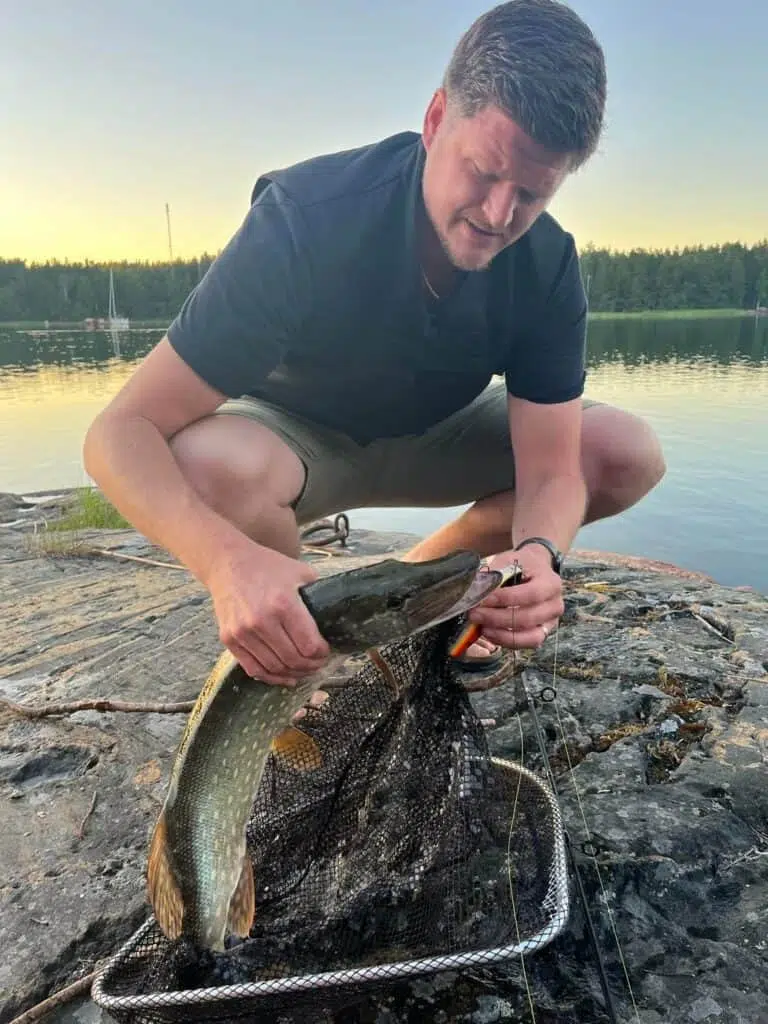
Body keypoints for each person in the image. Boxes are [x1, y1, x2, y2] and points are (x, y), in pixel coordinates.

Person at [83, 0, 665, 691]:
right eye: (483, 172)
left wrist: (539, 555)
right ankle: (293, 654)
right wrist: (225, 563)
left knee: (623, 454)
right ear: (436, 119)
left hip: (438, 431)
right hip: (297, 441)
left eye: (532, 193)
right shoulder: (306, 222)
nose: (499, 214)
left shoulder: (545, 263)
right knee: (209, 464)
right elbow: (119, 432)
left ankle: (423, 592)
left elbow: (552, 474)